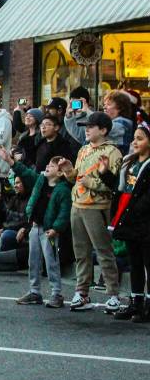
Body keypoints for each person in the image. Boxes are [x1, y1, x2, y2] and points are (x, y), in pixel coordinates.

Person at [66, 111, 123, 312]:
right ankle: (82, 292)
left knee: (103, 250)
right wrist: (68, 171)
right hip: (78, 204)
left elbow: (112, 183)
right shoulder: (83, 150)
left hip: (97, 206)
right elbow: (77, 176)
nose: (87, 130)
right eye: (86, 127)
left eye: (91, 126)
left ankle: (113, 294)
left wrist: (88, 181)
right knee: (80, 252)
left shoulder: (112, 152)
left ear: (104, 130)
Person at [9, 152, 73, 309]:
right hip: (35, 226)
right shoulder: (40, 181)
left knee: (51, 261)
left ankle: (56, 293)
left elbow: (64, 212)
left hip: (48, 230)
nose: (47, 167)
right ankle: (34, 291)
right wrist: (10, 161)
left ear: (59, 172)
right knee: (33, 260)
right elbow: (25, 172)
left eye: (51, 166)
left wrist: (56, 228)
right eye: (48, 165)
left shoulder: (63, 189)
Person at [107, 120, 150, 321]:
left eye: (140, 139)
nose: (135, 142)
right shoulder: (130, 162)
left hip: (143, 220)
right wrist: (105, 173)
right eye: (134, 138)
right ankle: (136, 303)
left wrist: (135, 209)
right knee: (134, 263)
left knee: (147, 263)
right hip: (128, 217)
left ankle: (147, 304)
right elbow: (120, 188)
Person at [103, 89, 136, 155]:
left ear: (120, 108)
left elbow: (97, 130)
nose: (104, 107)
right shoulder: (120, 122)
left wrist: (86, 111)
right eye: (104, 104)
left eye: (109, 104)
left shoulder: (121, 124)